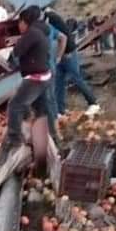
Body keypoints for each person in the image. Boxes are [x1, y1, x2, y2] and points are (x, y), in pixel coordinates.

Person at [5, 5, 53, 149]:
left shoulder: (31, 34)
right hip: (45, 76)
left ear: (24, 22)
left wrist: (11, 61)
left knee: (15, 106)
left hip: (35, 78)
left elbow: (16, 52)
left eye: (19, 23)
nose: (19, 26)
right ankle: (48, 137)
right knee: (41, 110)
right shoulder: (39, 32)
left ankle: (15, 140)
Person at [44, 8, 100, 117]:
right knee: (59, 81)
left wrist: (66, 51)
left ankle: (93, 103)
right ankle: (60, 110)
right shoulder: (52, 18)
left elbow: (65, 34)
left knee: (76, 78)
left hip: (68, 53)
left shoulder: (51, 18)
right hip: (62, 53)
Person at [35, 8, 67, 140]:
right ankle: (56, 130)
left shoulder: (36, 31)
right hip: (51, 67)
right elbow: (62, 37)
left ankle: (53, 134)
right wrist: (58, 57)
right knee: (51, 99)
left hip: (43, 70)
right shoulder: (48, 27)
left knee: (46, 101)